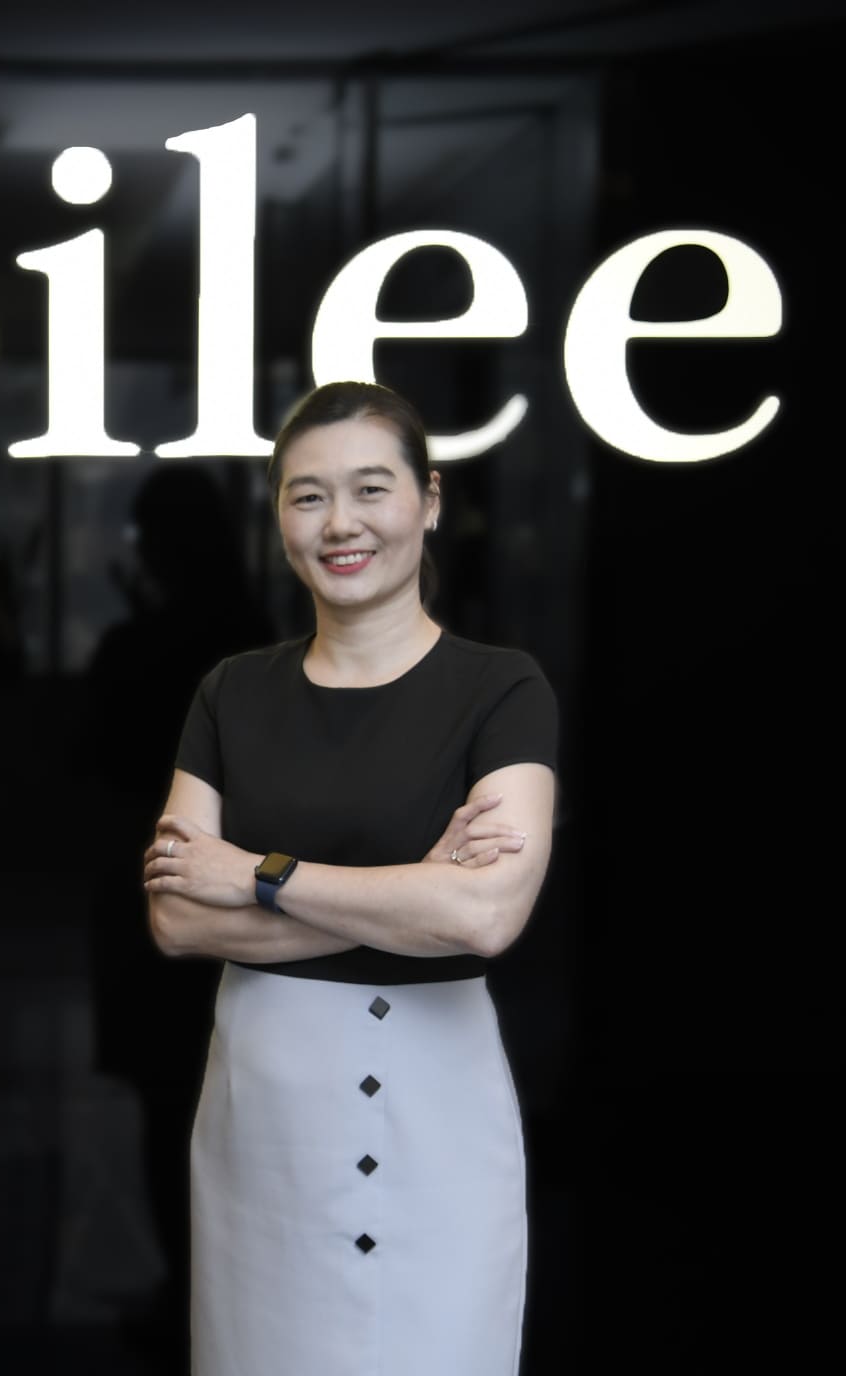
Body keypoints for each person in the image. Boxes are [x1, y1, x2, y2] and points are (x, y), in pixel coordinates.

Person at [142, 380, 556, 1374]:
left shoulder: (502, 688)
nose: (340, 524)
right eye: (308, 495)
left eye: (371, 488)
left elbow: (485, 916)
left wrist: (259, 873)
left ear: (429, 499)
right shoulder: (232, 692)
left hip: (441, 1125)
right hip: (266, 1125)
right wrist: (412, 892)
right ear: (279, 514)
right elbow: (175, 917)